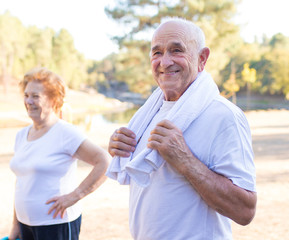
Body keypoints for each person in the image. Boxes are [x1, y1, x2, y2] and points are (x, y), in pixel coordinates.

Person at [106, 17, 257, 240]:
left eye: (176, 50)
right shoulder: (147, 114)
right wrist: (120, 145)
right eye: (157, 53)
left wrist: (184, 159)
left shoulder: (225, 116)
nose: (165, 62)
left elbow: (245, 211)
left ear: (202, 58)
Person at [8, 67, 109, 240]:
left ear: (53, 100)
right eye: (26, 95)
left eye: (35, 96)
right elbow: (21, 183)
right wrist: (16, 225)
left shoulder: (65, 133)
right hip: (26, 225)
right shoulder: (21, 135)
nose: (28, 101)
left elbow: (105, 161)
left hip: (56, 225)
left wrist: (75, 195)